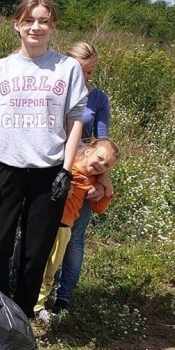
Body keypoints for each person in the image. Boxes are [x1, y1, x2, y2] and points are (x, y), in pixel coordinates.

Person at [0, 0, 89, 319]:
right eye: (29, 20)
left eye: (43, 21)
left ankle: (23, 315)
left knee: (35, 251)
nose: (35, 27)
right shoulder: (0, 69)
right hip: (5, 167)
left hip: (49, 170)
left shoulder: (67, 69)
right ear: (17, 24)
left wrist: (66, 171)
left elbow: (75, 118)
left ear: (52, 26)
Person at [35, 138, 119, 322]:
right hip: (43, 220)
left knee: (51, 268)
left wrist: (108, 190)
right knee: (34, 262)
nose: (102, 165)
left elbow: (99, 208)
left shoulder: (94, 180)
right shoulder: (65, 163)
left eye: (107, 165)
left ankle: (38, 305)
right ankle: (21, 297)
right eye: (100, 158)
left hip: (64, 226)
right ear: (88, 150)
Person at [54, 42, 112, 313]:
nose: (85, 77)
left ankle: (63, 295)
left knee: (74, 237)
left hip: (82, 176)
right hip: (48, 169)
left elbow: (102, 142)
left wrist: (103, 180)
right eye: (81, 71)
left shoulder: (97, 98)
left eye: (90, 72)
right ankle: (30, 287)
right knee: (36, 232)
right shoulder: (51, 89)